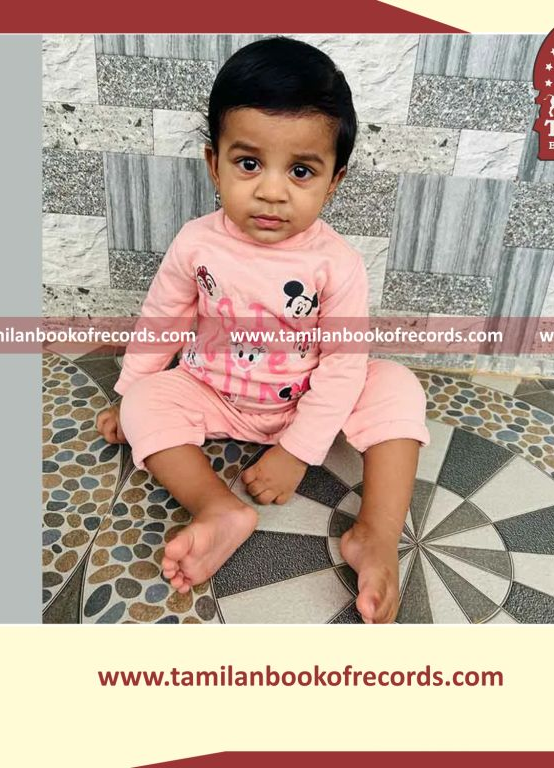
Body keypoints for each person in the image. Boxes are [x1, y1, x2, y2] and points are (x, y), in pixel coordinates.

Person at [97, 37, 430, 623]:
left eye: (301, 171)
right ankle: (218, 508)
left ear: (333, 181)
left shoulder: (337, 263)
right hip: (213, 390)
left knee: (397, 385)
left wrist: (297, 452)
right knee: (146, 401)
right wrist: (128, 393)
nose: (272, 191)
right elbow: (163, 319)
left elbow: (343, 365)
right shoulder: (197, 243)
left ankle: (376, 533)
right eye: (249, 163)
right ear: (214, 163)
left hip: (306, 400)